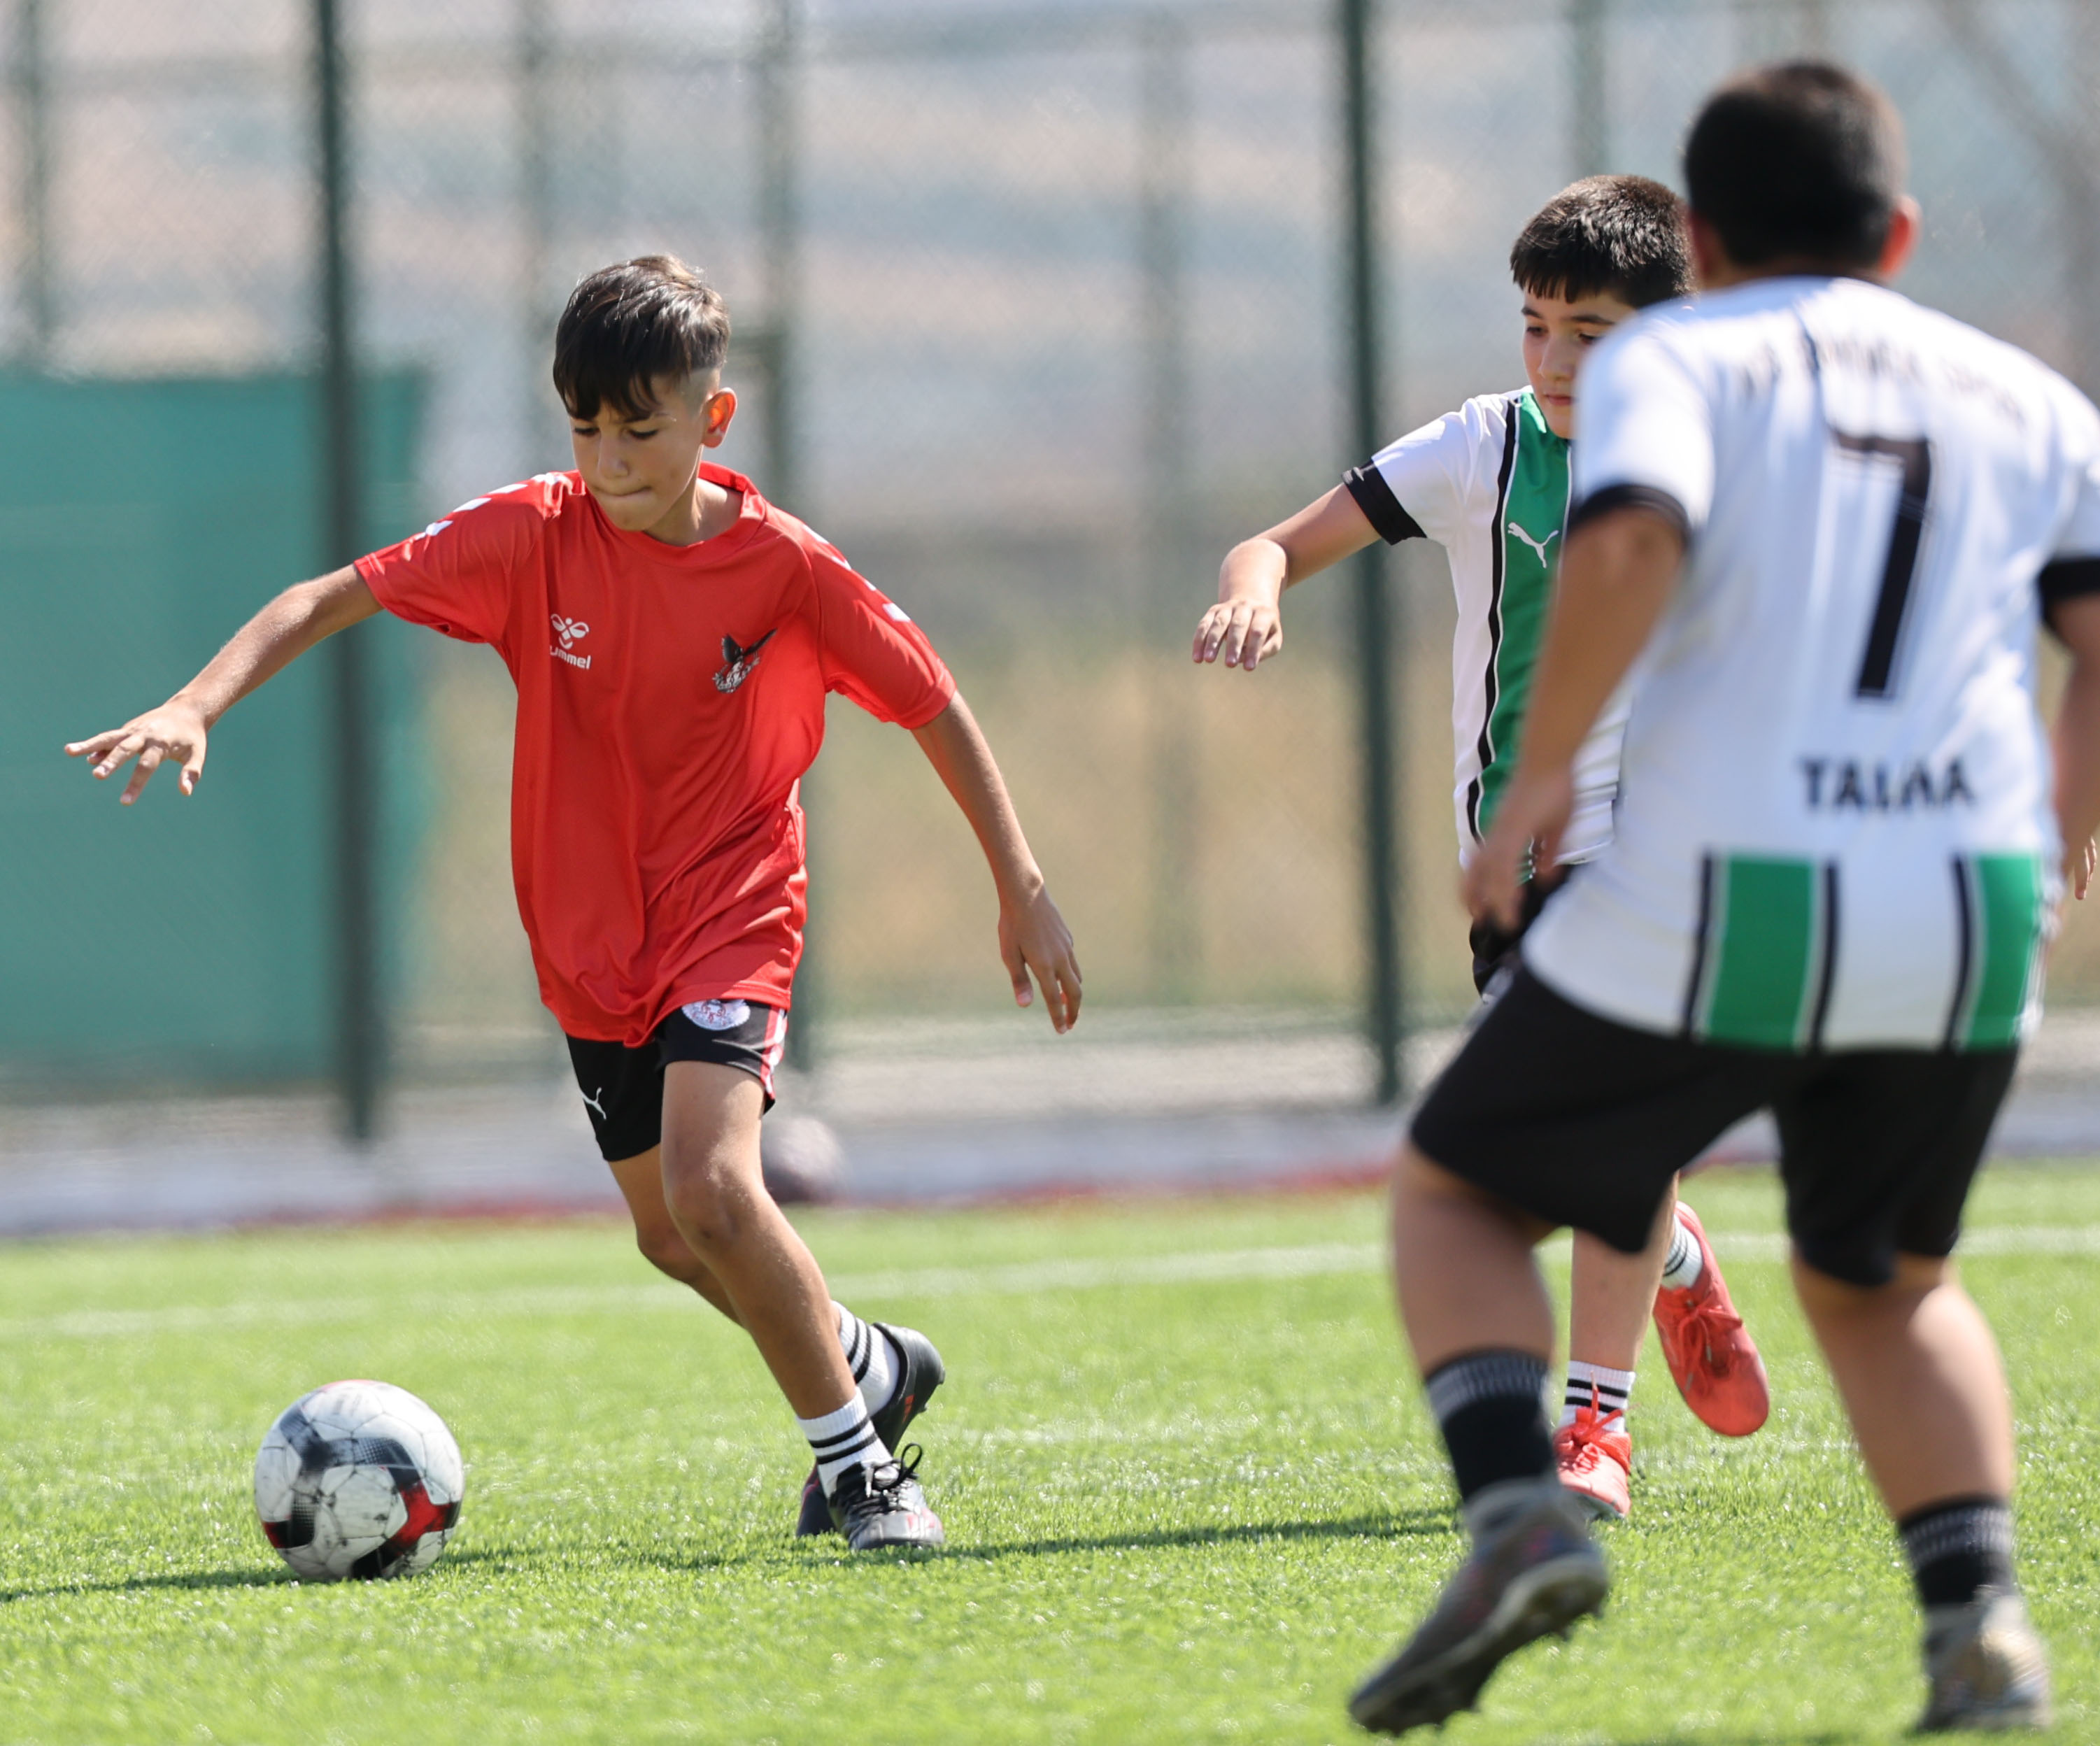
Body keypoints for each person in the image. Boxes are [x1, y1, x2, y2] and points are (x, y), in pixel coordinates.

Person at [64, 255, 1084, 1554]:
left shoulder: (784, 570)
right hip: (588, 940)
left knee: (719, 1190)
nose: (608, 458)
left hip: (732, 905)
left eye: (639, 428)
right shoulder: (530, 536)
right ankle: (862, 1362)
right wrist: (193, 703)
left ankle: (867, 1474)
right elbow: (329, 596)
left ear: (713, 421)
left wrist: (1021, 885)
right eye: (584, 428)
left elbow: (933, 699)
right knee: (671, 1238)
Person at [1347, 62, 2099, 1736]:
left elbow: (1619, 551)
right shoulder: (2030, 397)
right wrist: (2057, 847)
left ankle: (1523, 1501)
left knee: (1455, 1197)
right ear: (1897, 232)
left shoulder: (1684, 358)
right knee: (1895, 1284)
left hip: (1739, 871)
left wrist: (1532, 788)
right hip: (1967, 892)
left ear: (1696, 238)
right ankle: (1978, 1625)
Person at [1195, 175, 1768, 1524]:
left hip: (1669, 854)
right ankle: (1674, 1257)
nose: (1555, 360)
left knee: (1602, 1131)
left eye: (1593, 333)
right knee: (1584, 1154)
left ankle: (1595, 1431)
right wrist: (1251, 594)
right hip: (1515, 871)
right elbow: (1274, 544)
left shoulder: (1737, 464)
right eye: (1535, 326)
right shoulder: (1483, 450)